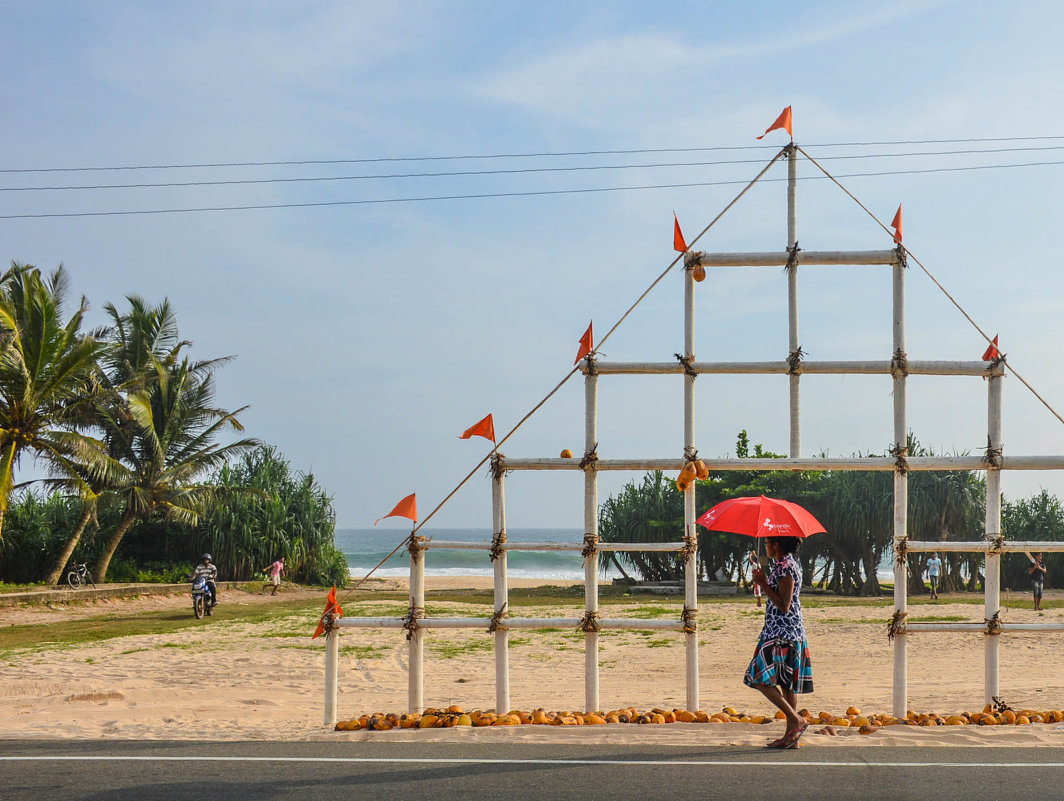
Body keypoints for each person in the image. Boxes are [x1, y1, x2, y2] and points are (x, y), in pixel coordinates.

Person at [746, 535, 813, 749]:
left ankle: (796, 720)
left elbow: (784, 604)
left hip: (781, 632)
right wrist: (763, 581)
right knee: (786, 683)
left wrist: (763, 583)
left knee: (757, 678)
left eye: (767, 543)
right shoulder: (783, 565)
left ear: (777, 545)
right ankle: (791, 736)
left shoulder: (786, 568)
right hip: (786, 631)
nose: (765, 546)